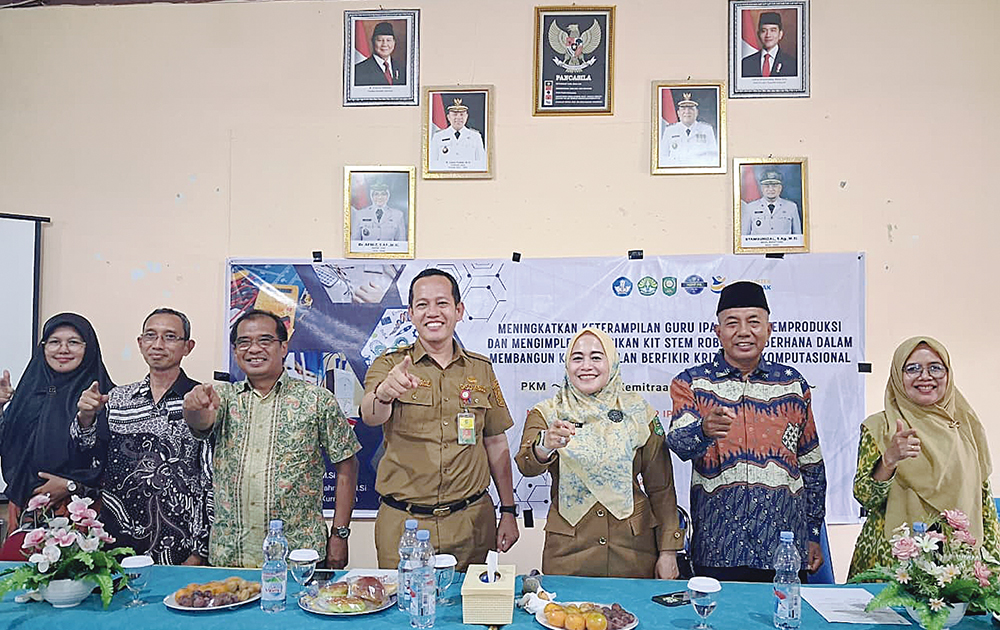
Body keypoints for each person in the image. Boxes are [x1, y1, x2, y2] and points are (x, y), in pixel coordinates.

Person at [360, 268, 519, 572]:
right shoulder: (390, 365)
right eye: (422, 305)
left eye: (442, 303)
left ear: (459, 311)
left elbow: (496, 441)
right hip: (403, 527)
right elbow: (370, 414)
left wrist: (508, 509)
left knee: (470, 614)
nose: (432, 312)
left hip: (472, 523)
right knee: (402, 614)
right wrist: (385, 393)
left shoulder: (481, 370)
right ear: (410, 314)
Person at [667, 281, 826, 582]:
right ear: (718, 332)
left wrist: (814, 532)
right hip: (718, 547)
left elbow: (811, 464)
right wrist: (703, 430)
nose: (743, 331)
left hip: (784, 547)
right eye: (732, 323)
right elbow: (678, 444)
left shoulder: (793, 384)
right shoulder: (692, 383)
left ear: (769, 328)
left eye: (754, 322)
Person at [182, 309, 360, 568]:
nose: (254, 349)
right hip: (232, 556)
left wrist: (339, 534)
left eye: (264, 340)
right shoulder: (223, 397)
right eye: (244, 342)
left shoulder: (316, 400)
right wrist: (193, 408)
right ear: (235, 352)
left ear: (284, 347)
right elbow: (201, 423)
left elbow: (347, 464)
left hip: (299, 556)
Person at [515, 328, 683, 578]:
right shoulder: (548, 413)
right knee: (565, 617)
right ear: (567, 364)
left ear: (612, 362)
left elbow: (661, 488)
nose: (586, 366)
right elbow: (526, 466)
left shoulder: (639, 413)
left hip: (633, 551)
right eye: (577, 357)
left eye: (596, 357)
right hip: (568, 552)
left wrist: (669, 551)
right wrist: (545, 445)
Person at [848, 337, 1000, 578]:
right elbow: (865, 497)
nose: (925, 376)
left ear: (948, 375)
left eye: (935, 367)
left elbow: (983, 502)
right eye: (912, 369)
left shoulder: (967, 427)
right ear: (898, 377)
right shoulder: (879, 427)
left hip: (957, 563)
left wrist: (993, 567)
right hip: (891, 563)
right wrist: (889, 460)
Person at [70, 308, 212, 565]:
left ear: (187, 347)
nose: (158, 344)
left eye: (170, 337)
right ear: (140, 343)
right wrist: (85, 418)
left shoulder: (200, 400)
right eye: (150, 336)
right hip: (119, 544)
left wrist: (200, 550)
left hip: (182, 544)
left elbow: (212, 479)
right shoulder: (117, 399)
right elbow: (88, 460)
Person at [0, 313, 114, 526]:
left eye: (73, 342)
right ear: (43, 348)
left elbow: (118, 468)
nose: (63, 350)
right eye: (54, 342)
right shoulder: (27, 395)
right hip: (26, 513)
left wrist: (72, 485)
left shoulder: (105, 398)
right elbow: (6, 446)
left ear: (88, 348)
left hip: (87, 516)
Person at [658, 93, 719, 167]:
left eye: (691, 108)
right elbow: (663, 157)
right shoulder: (670, 131)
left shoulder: (706, 129)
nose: (687, 112)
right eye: (683, 108)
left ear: (696, 112)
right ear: (678, 113)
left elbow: (713, 157)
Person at [429, 99, 486, 171]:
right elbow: (432, 162)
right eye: (454, 114)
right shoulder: (438, 136)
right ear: (448, 117)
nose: (458, 117)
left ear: (466, 116)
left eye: (462, 114)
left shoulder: (475, 136)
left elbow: (481, 162)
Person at [741, 170, 802, 236]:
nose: (771, 189)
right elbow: (744, 236)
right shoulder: (750, 207)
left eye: (774, 186)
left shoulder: (791, 207)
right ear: (762, 188)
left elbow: (798, 236)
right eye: (767, 186)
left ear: (780, 188)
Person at [741, 12, 797, 77]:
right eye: (763, 31)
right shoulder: (746, 63)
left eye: (773, 30)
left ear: (780, 34)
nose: (768, 35)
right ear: (758, 34)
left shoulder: (792, 63)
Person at [354, 21, 406, 86]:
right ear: (373, 42)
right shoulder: (359, 70)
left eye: (388, 40)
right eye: (380, 40)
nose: (384, 44)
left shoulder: (402, 69)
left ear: (394, 43)